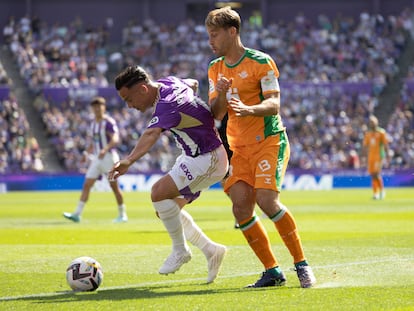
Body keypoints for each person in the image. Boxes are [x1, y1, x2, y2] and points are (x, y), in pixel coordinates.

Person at [205, 6, 316, 288]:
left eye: (214, 34)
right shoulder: (215, 68)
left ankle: (302, 265)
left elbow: (274, 104)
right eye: (208, 35)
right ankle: (272, 271)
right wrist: (220, 92)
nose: (210, 41)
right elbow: (216, 113)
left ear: (233, 32)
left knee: (267, 200)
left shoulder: (261, 62)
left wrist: (248, 109)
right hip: (239, 148)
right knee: (241, 209)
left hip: (269, 140)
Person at [108, 65, 228, 283]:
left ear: (143, 90)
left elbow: (152, 132)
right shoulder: (170, 82)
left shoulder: (167, 105)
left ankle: (180, 250)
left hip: (208, 157)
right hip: (192, 156)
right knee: (166, 210)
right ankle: (212, 250)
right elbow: (192, 83)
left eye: (129, 99)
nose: (129, 106)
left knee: (157, 193)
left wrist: (128, 160)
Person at [63, 96, 128, 223]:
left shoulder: (108, 122)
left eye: (99, 106)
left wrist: (106, 149)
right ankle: (77, 214)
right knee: (87, 184)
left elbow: (115, 138)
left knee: (114, 187)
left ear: (104, 107)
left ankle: (122, 214)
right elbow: (94, 142)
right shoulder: (94, 124)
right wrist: (86, 153)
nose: (97, 109)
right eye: (95, 107)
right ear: (92, 109)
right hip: (98, 159)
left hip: (109, 157)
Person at [362, 115, 390, 200]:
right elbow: (365, 146)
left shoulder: (381, 132)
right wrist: (363, 157)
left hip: (379, 156)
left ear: (376, 122)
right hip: (371, 157)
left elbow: (385, 145)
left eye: (373, 122)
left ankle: (381, 191)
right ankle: (375, 193)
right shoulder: (368, 134)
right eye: (370, 122)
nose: (372, 124)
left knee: (376, 174)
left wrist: (387, 155)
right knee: (372, 175)